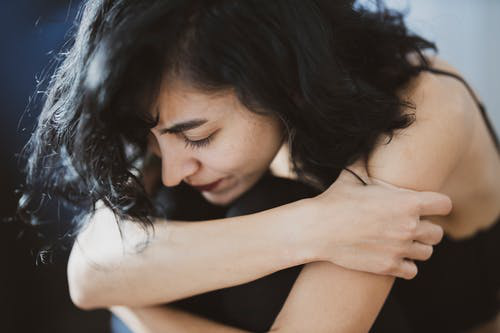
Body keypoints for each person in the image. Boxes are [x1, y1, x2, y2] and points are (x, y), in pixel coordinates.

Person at [19, 0, 499, 332]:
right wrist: (312, 227)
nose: (171, 168)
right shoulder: (173, 101)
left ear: (281, 79)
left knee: (212, 225)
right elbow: (88, 268)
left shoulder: (425, 107)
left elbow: (105, 279)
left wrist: (138, 307)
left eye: (199, 137)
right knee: (174, 209)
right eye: (152, 140)